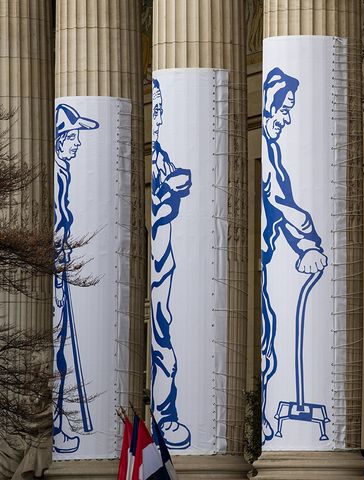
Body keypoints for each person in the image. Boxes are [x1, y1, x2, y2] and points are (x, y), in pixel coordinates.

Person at [260, 67, 328, 442]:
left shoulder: (274, 152)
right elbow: (279, 205)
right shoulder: (271, 155)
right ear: (270, 106)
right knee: (275, 338)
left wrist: (306, 245)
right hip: (277, 265)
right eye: (284, 108)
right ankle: (274, 419)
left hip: (285, 261)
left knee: (280, 337)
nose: (287, 117)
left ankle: (275, 417)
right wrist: (307, 241)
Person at [53, 103, 99, 454]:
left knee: (61, 351)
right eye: (73, 136)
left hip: (61, 272)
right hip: (56, 277)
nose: (78, 143)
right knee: (58, 351)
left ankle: (57, 421)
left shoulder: (64, 172)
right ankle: (55, 423)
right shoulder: (58, 174)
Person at [150, 79, 192, 449]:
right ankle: (166, 416)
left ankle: (167, 415)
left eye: (160, 110)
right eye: (157, 109)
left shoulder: (162, 154)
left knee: (168, 330)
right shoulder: (158, 156)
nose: (158, 116)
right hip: (159, 262)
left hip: (168, 259)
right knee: (163, 336)